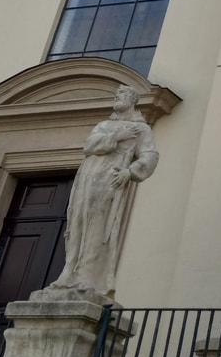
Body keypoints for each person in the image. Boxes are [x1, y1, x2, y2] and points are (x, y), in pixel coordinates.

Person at [44, 84, 159, 299]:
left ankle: (87, 276)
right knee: (77, 221)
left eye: (122, 94)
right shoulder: (104, 124)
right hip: (87, 175)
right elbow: (89, 146)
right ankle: (68, 271)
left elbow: (150, 156)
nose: (117, 97)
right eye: (116, 94)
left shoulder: (141, 129)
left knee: (98, 223)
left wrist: (129, 172)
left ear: (133, 100)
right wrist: (117, 136)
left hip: (111, 176)